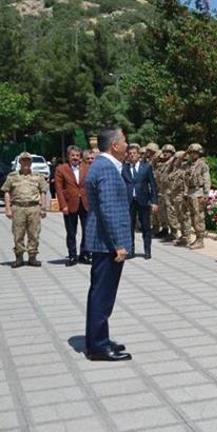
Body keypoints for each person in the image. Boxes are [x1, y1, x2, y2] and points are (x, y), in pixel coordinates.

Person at [83, 128, 132, 361]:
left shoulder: (102, 166)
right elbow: (109, 210)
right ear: (114, 145)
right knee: (102, 295)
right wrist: (119, 244)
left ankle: (99, 338)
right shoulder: (106, 168)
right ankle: (98, 346)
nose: (127, 145)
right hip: (107, 244)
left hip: (104, 241)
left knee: (101, 294)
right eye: (124, 141)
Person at [2, 152, 48, 268]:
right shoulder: (12, 176)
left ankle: (32, 257)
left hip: (33, 207)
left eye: (28, 160)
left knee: (34, 233)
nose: (26, 163)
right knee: (18, 234)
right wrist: (8, 208)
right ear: (20, 162)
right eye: (23, 160)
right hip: (18, 208)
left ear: (31, 162)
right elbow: (6, 192)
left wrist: (43, 208)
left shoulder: (38, 176)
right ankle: (19, 257)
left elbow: (43, 191)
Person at [54, 145, 91, 266]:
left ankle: (84, 254)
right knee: (71, 232)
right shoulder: (61, 169)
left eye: (77, 155)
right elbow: (58, 189)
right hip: (70, 204)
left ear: (80, 157)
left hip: (85, 204)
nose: (75, 158)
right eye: (73, 155)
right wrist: (63, 205)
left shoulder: (86, 168)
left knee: (87, 231)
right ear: (68, 156)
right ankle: (72, 256)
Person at [122, 143, 158, 259]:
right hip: (129, 201)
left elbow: (153, 185)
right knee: (130, 227)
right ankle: (130, 251)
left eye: (134, 153)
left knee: (146, 227)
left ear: (139, 155)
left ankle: (147, 250)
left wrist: (154, 201)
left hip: (143, 200)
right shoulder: (124, 168)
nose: (132, 156)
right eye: (130, 154)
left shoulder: (146, 167)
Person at [185, 143, 210, 249]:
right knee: (192, 216)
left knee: (198, 217)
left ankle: (200, 239)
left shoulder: (202, 164)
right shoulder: (189, 164)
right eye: (191, 152)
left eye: (194, 152)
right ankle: (197, 238)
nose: (192, 154)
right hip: (190, 192)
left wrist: (206, 194)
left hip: (198, 192)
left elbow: (206, 179)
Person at [170, 151, 192, 246]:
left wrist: (185, 195)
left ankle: (187, 236)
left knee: (184, 217)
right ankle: (183, 235)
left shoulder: (185, 170)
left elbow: (186, 184)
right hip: (176, 196)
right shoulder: (176, 169)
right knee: (179, 216)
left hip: (182, 196)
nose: (176, 161)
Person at [158, 144, 177, 241]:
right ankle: (165, 229)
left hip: (170, 190)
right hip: (162, 190)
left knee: (170, 211)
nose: (165, 153)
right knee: (162, 212)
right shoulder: (163, 163)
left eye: (168, 152)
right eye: (164, 152)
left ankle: (174, 232)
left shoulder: (173, 162)